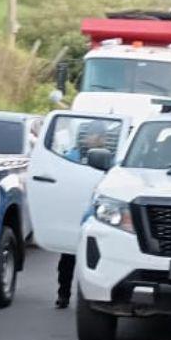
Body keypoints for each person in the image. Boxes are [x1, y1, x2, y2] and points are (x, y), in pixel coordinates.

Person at [56, 123, 112, 309]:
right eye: (90, 135)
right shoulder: (73, 156)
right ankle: (63, 294)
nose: (93, 139)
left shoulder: (111, 159)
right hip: (74, 215)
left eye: (96, 135)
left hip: (99, 218)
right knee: (68, 258)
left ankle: (92, 297)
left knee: (95, 259)